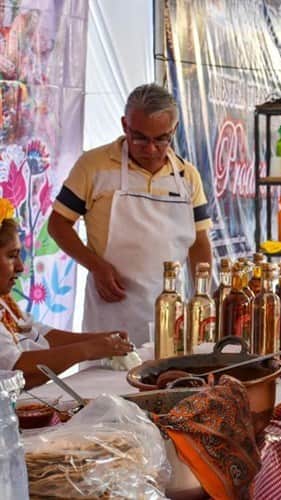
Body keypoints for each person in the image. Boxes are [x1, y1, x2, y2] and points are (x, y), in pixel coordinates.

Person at [49, 84, 213, 346]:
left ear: (174, 129)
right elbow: (58, 224)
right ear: (125, 125)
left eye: (161, 139)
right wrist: (95, 265)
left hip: (170, 310)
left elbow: (200, 243)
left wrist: (204, 298)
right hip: (112, 308)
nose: (150, 149)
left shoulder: (187, 176)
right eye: (140, 137)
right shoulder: (93, 166)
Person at [0, 199, 133, 388]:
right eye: (12, 256)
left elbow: (40, 335)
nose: (21, 267)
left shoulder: (5, 304)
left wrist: (100, 340)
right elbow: (20, 369)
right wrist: (88, 349)